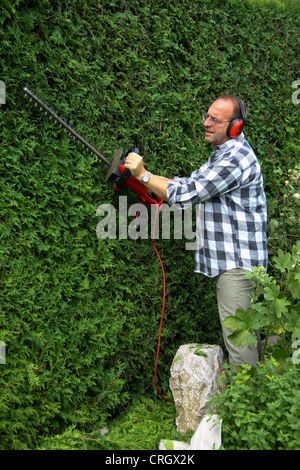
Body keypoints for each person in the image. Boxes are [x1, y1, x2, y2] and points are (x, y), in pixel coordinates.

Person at [125, 95, 268, 367]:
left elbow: (187, 194)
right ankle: (253, 402)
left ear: (235, 126)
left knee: (240, 343)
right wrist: (145, 177)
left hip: (237, 266)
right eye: (207, 116)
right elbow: (189, 182)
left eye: (215, 120)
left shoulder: (234, 159)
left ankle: (246, 407)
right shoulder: (224, 153)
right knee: (246, 339)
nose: (206, 123)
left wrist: (143, 175)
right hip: (237, 263)